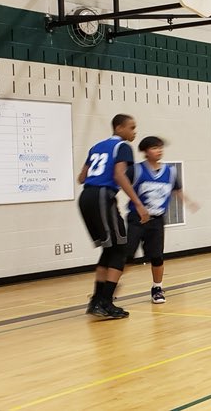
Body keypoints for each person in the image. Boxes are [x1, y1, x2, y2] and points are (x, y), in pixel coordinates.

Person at [76, 114, 148, 319]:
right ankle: (106, 302)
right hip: (102, 196)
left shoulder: (96, 146)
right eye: (131, 127)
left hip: (86, 197)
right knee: (121, 249)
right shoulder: (123, 147)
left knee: (110, 249)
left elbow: (81, 177)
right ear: (119, 128)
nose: (134, 132)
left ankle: (96, 301)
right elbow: (119, 175)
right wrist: (138, 203)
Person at [125, 136, 199, 304]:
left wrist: (189, 202)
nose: (158, 150)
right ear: (145, 152)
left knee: (157, 256)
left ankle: (157, 288)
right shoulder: (136, 170)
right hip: (136, 218)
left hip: (157, 219)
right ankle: (110, 287)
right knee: (127, 256)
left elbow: (177, 191)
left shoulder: (170, 171)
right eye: (154, 148)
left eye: (160, 147)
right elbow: (122, 184)